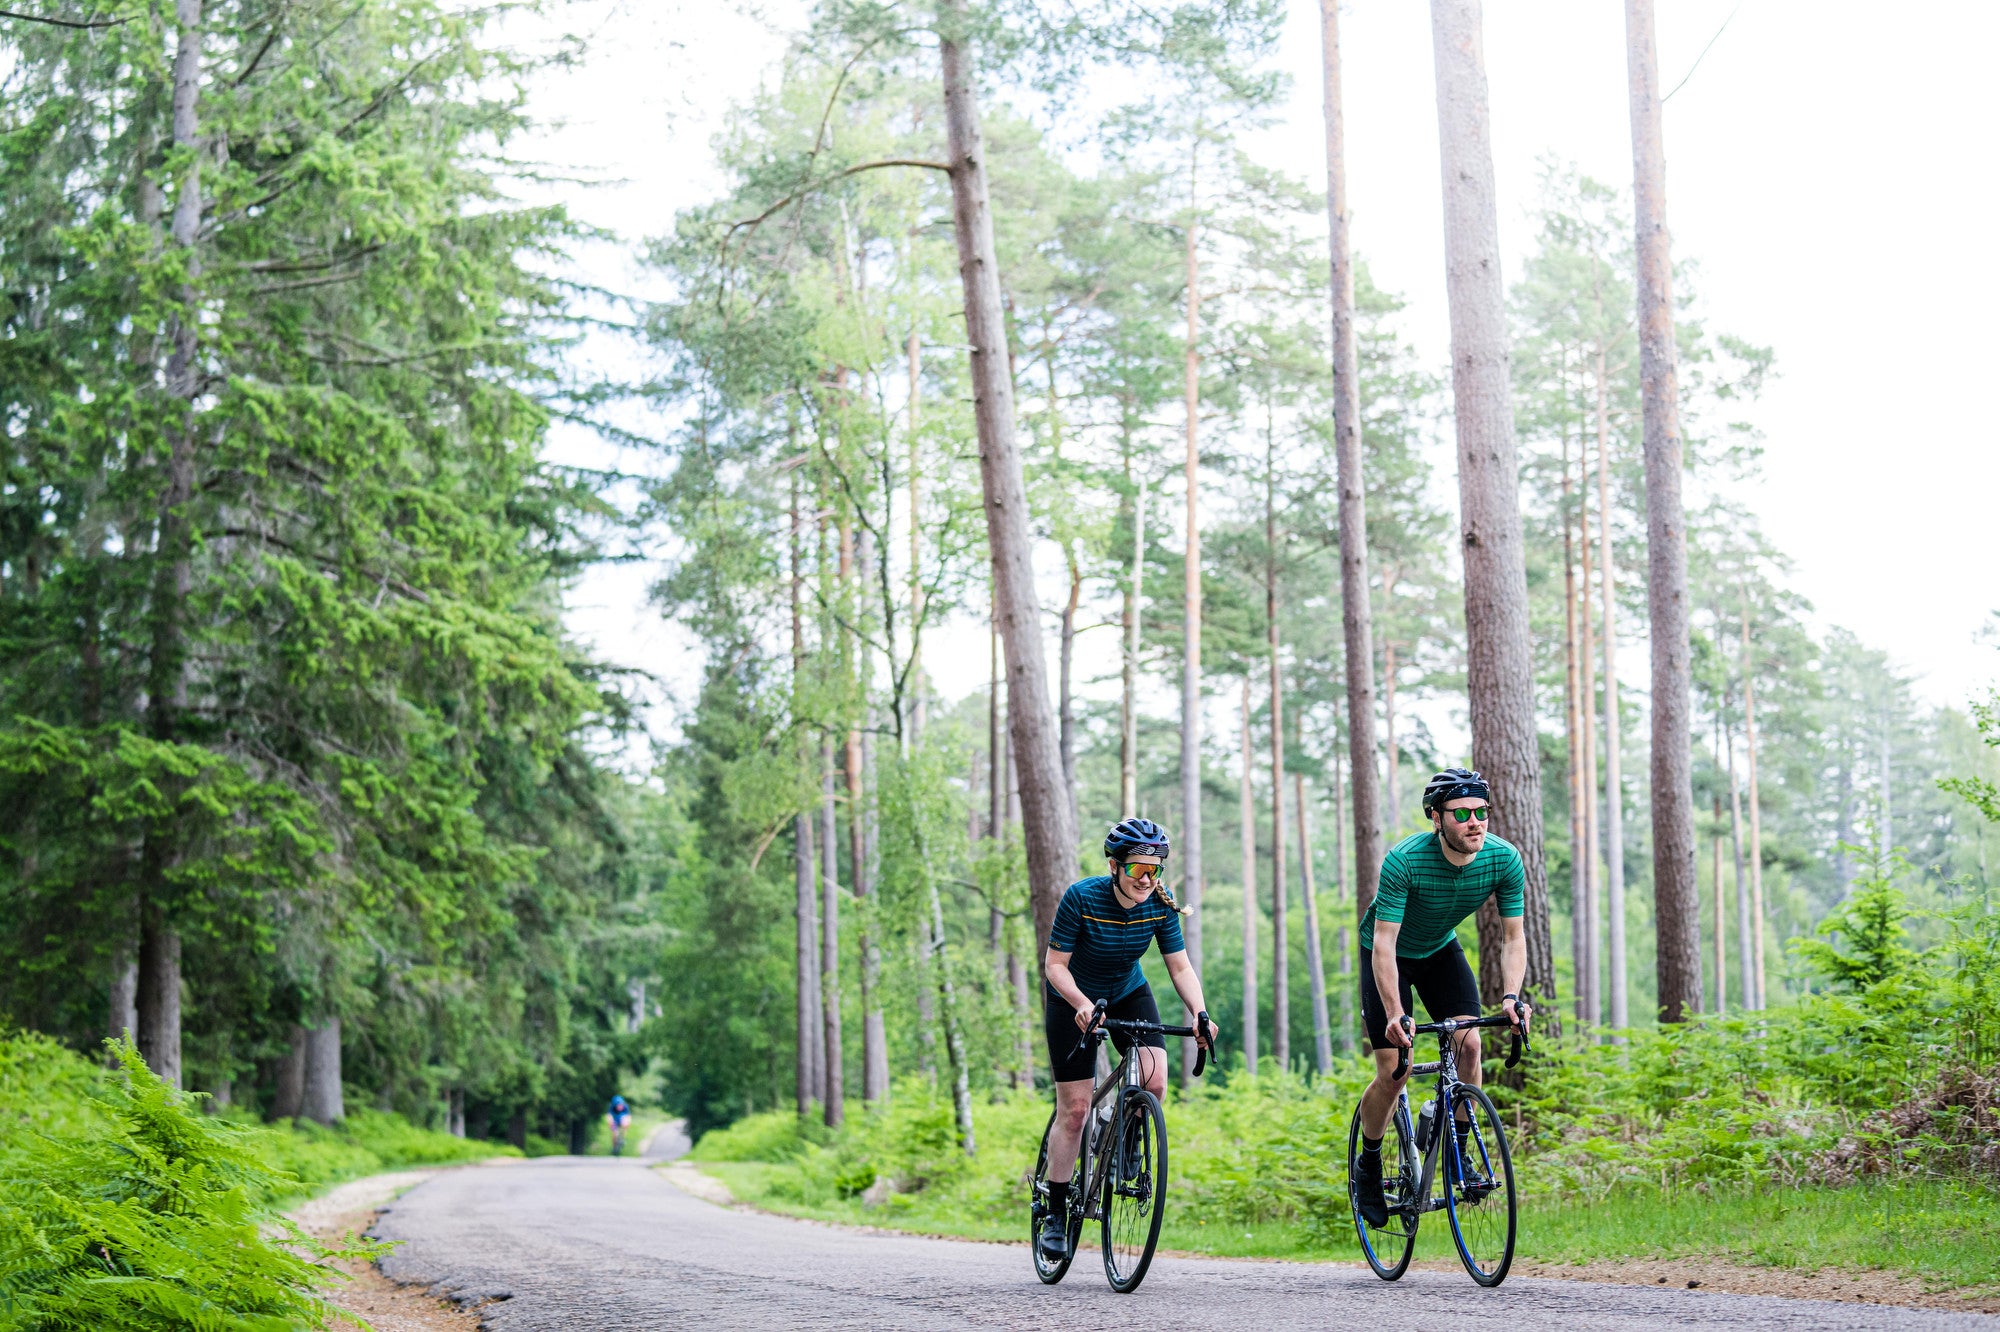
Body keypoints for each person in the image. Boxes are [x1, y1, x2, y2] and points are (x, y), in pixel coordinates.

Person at [1351, 768, 1533, 1227]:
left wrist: (1512, 996)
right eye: (1462, 813)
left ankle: (1459, 1148)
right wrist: (1395, 1013)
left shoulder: (1504, 859)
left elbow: (1514, 939)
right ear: (1437, 817)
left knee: (1469, 1043)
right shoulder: (1406, 860)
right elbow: (1386, 944)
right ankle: (1368, 1165)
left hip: (1439, 950)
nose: (1475, 822)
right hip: (1386, 955)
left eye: (1482, 812)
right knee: (1397, 1070)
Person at [1038, 817, 1218, 1261]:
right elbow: (1054, 966)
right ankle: (1057, 1211)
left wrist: (1199, 1012)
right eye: (1138, 870)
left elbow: (1179, 967)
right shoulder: (1082, 897)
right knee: (1076, 1110)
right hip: (1072, 996)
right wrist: (1080, 1003)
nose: (1147, 879)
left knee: (1155, 1081)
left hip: (1126, 990)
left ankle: (1124, 1142)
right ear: (1114, 866)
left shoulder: (1159, 903)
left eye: (1155, 870)